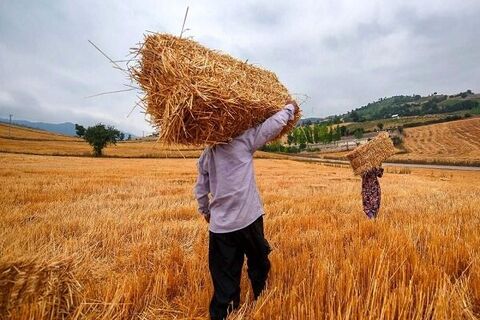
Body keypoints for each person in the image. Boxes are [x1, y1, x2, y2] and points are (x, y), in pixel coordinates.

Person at [194, 101, 298, 320]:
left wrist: (205, 211)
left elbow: (201, 189)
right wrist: (290, 108)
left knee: (224, 276)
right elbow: (272, 125)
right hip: (249, 219)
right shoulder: (244, 141)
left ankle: (224, 314)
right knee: (259, 262)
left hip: (221, 227)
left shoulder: (207, 154)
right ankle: (262, 300)